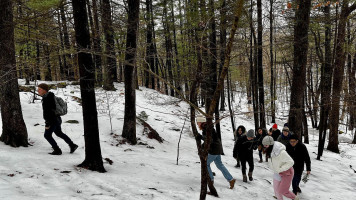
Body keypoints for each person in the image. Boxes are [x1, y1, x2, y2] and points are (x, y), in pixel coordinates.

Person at [196, 115, 236, 189]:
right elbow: (208, 140)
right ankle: (231, 180)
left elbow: (209, 140)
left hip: (213, 149)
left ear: (201, 122)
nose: (197, 124)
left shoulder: (206, 128)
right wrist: (202, 146)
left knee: (206, 164)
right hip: (217, 148)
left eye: (198, 122)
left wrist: (200, 137)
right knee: (219, 165)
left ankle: (210, 180)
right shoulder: (208, 127)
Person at [38, 83, 78, 155]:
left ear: (44, 90)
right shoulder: (50, 96)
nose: (38, 91)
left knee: (47, 135)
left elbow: (50, 111)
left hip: (52, 120)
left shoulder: (47, 98)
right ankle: (72, 145)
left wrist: (48, 123)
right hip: (57, 119)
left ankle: (57, 150)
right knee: (59, 133)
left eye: (40, 89)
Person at [262, 136, 299, 200]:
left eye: (266, 145)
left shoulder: (281, 152)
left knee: (283, 191)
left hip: (287, 173)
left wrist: (280, 169)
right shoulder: (270, 150)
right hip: (277, 172)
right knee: (276, 190)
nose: (265, 146)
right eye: (264, 145)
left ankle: (295, 198)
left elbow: (291, 162)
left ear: (271, 144)